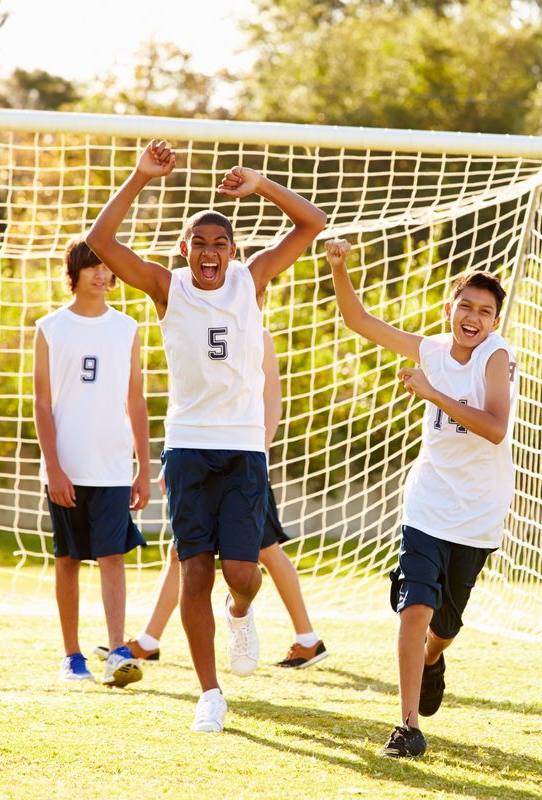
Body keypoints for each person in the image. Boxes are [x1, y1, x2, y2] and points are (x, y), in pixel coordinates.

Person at [86, 140, 326, 733]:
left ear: (234, 251)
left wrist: (261, 185)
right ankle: (210, 693)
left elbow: (312, 223)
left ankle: (242, 611)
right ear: (185, 250)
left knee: (242, 573)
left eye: (221, 243)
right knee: (194, 570)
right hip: (190, 447)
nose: (210, 252)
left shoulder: (254, 280)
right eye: (200, 243)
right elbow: (101, 242)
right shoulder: (168, 288)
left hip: (244, 449)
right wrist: (141, 176)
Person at [325, 238, 517, 758]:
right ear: (449, 308)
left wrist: (434, 394)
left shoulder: (497, 358)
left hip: (477, 514)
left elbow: (496, 428)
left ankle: (435, 659)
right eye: (466, 306)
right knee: (415, 607)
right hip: (427, 504)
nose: (473, 317)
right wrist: (340, 269)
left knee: (445, 626)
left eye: (485, 311)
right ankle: (407, 726)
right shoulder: (431, 348)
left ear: (494, 321)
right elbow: (360, 322)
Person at [93, 330, 328, 670]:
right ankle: (149, 640)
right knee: (184, 552)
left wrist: (257, 454)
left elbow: (272, 401)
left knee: (264, 551)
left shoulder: (257, 334)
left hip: (244, 466)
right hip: (207, 462)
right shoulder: (205, 327)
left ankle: (307, 638)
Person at [33, 238, 151, 688]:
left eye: (108, 268)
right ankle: (72, 656)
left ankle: (117, 651)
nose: (103, 275)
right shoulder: (51, 327)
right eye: (93, 267)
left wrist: (142, 464)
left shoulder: (127, 327)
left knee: (113, 556)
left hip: (113, 465)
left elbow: (135, 400)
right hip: (66, 467)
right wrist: (55, 467)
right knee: (67, 559)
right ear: (75, 273)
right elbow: (42, 403)